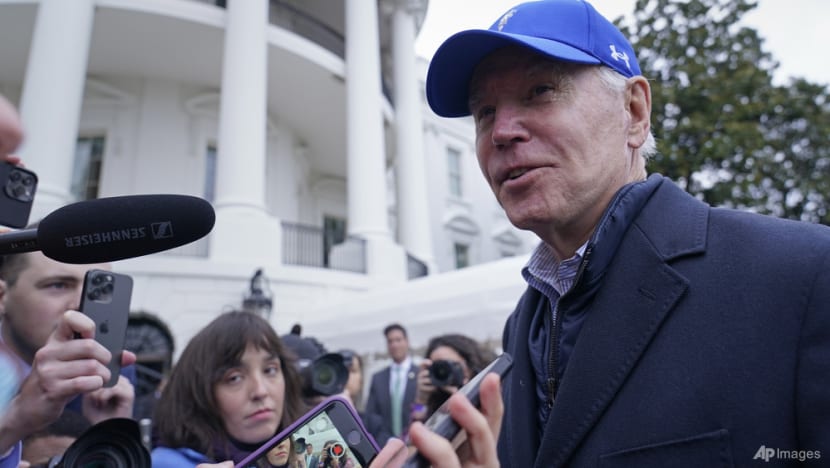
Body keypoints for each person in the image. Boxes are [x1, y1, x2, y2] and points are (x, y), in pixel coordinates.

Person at [424, 0, 830, 466]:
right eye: (484, 112)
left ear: (634, 112)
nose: (501, 131)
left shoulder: (803, 276)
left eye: (539, 91)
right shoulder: (522, 325)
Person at [0, 94, 136, 468]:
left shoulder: (108, 388)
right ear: (3, 294)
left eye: (98, 289)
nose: (80, 306)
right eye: (57, 285)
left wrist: (107, 437)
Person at [151, 310, 308, 466]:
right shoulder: (166, 463)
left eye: (270, 370)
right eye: (234, 378)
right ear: (200, 394)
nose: (260, 391)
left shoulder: (305, 451)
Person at [410, 334, 493, 423]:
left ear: (469, 366)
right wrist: (421, 400)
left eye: (449, 365)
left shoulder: (487, 391)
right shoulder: (433, 396)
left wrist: (464, 395)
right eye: (438, 366)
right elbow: (417, 426)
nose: (443, 371)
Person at [364, 324, 417, 444]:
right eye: (390, 341)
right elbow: (371, 414)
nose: (394, 345)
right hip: (386, 444)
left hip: (415, 441)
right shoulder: (378, 378)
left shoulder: (420, 375)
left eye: (398, 340)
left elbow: (422, 406)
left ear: (407, 342)